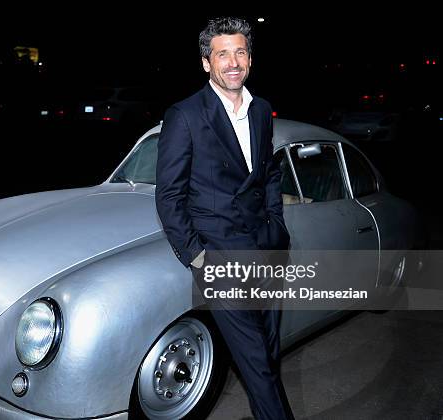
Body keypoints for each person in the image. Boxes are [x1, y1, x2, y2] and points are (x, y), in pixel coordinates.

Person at [155, 17, 294, 419]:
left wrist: (276, 226)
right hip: (220, 258)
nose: (233, 62)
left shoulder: (261, 110)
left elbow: (268, 172)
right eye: (222, 54)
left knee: (268, 352)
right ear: (206, 63)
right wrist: (198, 258)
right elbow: (169, 196)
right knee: (255, 363)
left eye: (240, 51)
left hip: (266, 250)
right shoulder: (185, 115)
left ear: (249, 57)